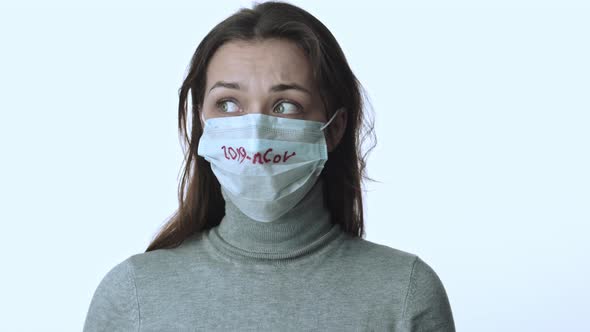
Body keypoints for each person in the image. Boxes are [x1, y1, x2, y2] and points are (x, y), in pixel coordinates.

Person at [83, 1, 456, 331]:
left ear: (334, 128)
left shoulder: (404, 294)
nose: (256, 134)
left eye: (285, 106)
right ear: (203, 124)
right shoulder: (133, 295)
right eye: (228, 104)